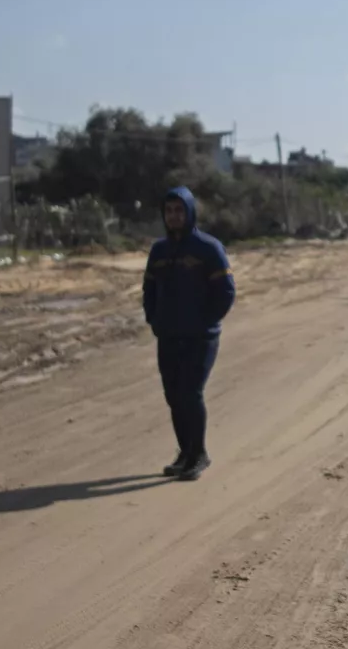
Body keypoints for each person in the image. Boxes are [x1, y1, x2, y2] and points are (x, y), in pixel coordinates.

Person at [142, 187, 236, 482]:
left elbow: (226, 292)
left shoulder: (209, 248)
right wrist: (154, 320)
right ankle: (185, 453)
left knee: (190, 394)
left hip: (201, 338)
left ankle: (199, 454)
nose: (174, 216)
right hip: (168, 336)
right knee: (173, 396)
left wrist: (206, 321)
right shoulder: (158, 251)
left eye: (179, 210)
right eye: (169, 211)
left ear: (190, 212)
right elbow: (149, 290)